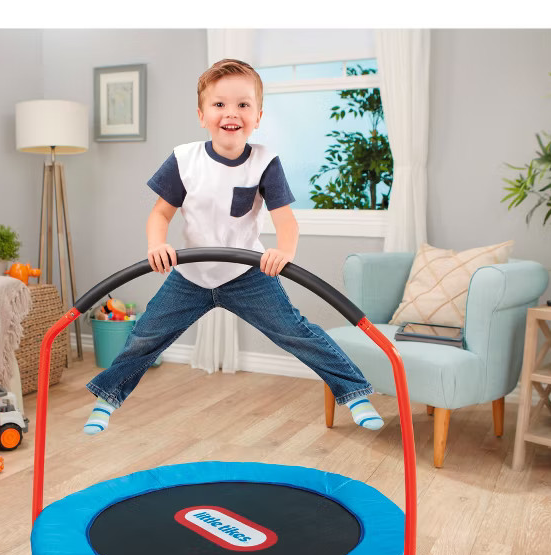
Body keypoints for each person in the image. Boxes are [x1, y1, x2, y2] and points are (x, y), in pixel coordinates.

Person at [84, 59, 382, 435]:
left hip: (246, 274)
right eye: (219, 104)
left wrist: (284, 252)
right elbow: (160, 214)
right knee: (145, 335)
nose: (231, 113)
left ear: (258, 116)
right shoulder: (184, 160)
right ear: (202, 115)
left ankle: (354, 392)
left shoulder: (265, 162)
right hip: (191, 275)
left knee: (296, 332)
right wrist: (156, 243)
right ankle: (107, 398)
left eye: (243, 104)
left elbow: (286, 221)